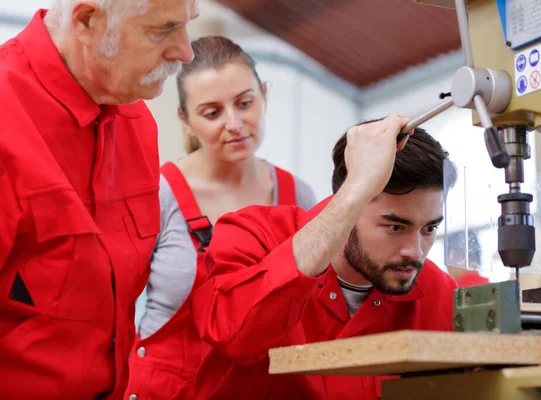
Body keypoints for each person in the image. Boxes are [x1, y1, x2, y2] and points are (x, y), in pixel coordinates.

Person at [0, 1, 196, 398]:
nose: (186, 51)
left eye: (187, 25)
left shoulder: (138, 124)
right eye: (163, 29)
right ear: (88, 21)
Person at [190, 115, 459, 399]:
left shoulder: (441, 296)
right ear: (349, 202)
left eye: (429, 229)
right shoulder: (253, 235)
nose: (415, 252)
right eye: (395, 227)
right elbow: (235, 335)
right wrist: (356, 189)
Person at [126, 36, 317, 400]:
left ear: (264, 94)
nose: (235, 123)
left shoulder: (299, 197)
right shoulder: (159, 194)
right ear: (185, 119)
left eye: (245, 103)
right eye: (212, 113)